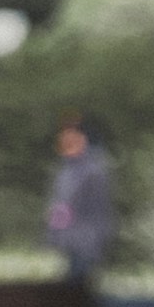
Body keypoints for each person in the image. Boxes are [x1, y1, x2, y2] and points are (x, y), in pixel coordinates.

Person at [43, 115, 118, 295]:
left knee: (79, 289)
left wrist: (96, 240)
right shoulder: (67, 170)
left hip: (86, 241)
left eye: (71, 136)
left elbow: (99, 209)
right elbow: (61, 206)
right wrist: (54, 235)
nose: (65, 141)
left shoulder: (93, 170)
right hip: (70, 241)